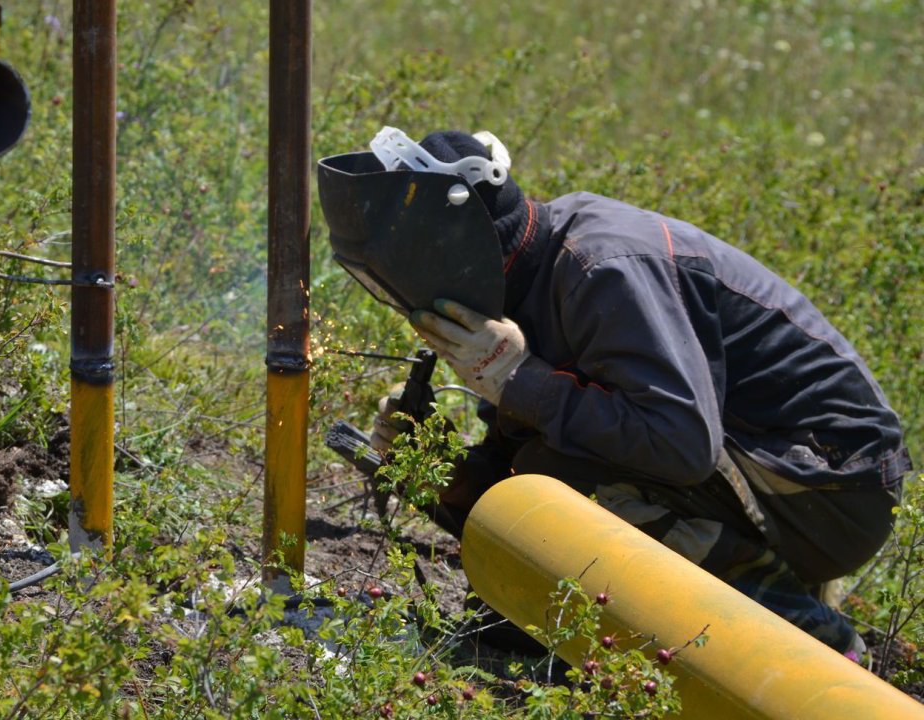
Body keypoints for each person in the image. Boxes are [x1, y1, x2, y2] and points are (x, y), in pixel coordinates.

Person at [316, 127, 912, 657]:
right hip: (771, 477)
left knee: (560, 480)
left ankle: (803, 634)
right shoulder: (526, 282)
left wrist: (519, 380)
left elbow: (680, 446)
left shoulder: (601, 267)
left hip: (832, 490)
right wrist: (436, 467)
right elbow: (517, 475)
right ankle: (752, 586)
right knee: (539, 476)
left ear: (465, 250)